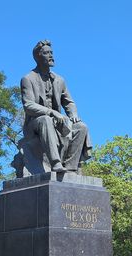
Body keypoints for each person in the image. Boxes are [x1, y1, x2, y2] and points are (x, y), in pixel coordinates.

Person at [19, 40, 92, 174]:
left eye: (51, 53)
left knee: (81, 127)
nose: (51, 56)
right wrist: (51, 112)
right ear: (38, 57)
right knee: (45, 120)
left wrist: (73, 115)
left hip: (57, 123)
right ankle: (55, 163)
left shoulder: (59, 80)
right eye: (46, 53)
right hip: (35, 124)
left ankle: (70, 167)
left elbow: (69, 102)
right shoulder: (28, 79)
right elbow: (28, 105)